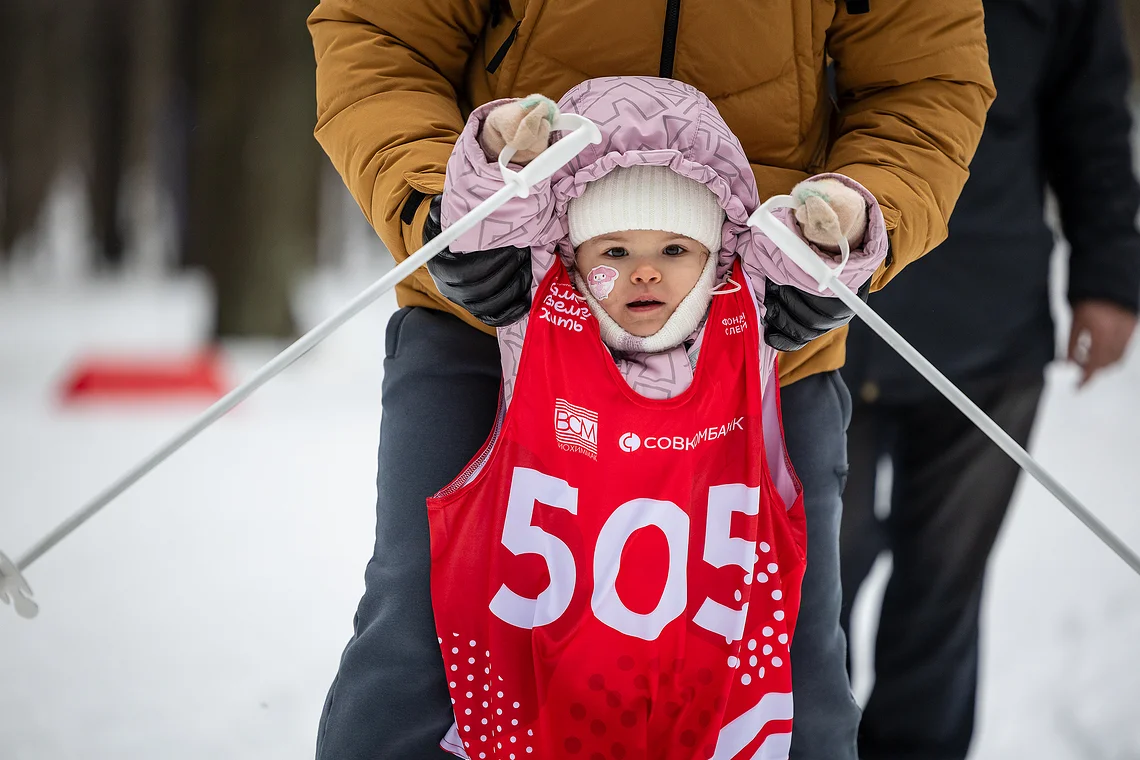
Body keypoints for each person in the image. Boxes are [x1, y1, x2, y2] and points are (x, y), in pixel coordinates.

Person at [307, 3, 995, 758]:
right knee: (424, 651)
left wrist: (854, 225)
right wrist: (440, 210)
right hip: (496, 305)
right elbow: (381, 36)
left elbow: (926, 83)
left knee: (787, 687)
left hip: (762, 339)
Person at [427, 77, 885, 758]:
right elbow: (490, 223)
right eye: (613, 252)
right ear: (575, 261)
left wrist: (836, 228)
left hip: (714, 699)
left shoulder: (748, 327)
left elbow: (800, 264)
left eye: (674, 251)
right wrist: (509, 157)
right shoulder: (538, 321)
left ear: (713, 258)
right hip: (543, 694)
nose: (644, 272)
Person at [837, 0, 1140, 758]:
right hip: (827, 329)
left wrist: (1108, 276)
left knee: (944, 587)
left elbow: (1091, 105)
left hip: (989, 327)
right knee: (815, 578)